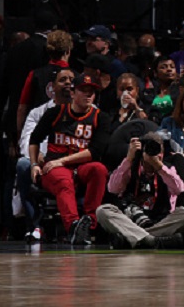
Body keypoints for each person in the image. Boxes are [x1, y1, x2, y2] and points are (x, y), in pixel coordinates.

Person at [28, 74, 112, 245]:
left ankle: (89, 224)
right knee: (63, 181)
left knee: (99, 169)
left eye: (91, 92)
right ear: (72, 93)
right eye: (83, 91)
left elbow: (95, 151)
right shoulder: (55, 113)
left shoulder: (100, 117)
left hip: (80, 166)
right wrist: (34, 164)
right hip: (55, 167)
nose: (88, 95)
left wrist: (63, 161)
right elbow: (34, 139)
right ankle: (73, 226)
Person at [96, 132, 184, 249]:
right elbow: (113, 188)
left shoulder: (168, 168)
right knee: (102, 210)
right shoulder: (131, 167)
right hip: (131, 220)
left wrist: (158, 166)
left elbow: (179, 189)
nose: (154, 155)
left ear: (162, 154)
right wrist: (129, 158)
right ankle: (153, 241)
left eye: (157, 152)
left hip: (161, 221)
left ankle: (134, 238)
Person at [16, 68, 75, 243]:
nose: (67, 83)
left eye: (71, 80)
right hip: (43, 164)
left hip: (71, 162)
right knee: (23, 164)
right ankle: (35, 225)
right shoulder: (37, 113)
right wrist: (37, 158)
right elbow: (26, 142)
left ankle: (79, 226)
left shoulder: (88, 110)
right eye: (62, 80)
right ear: (52, 87)